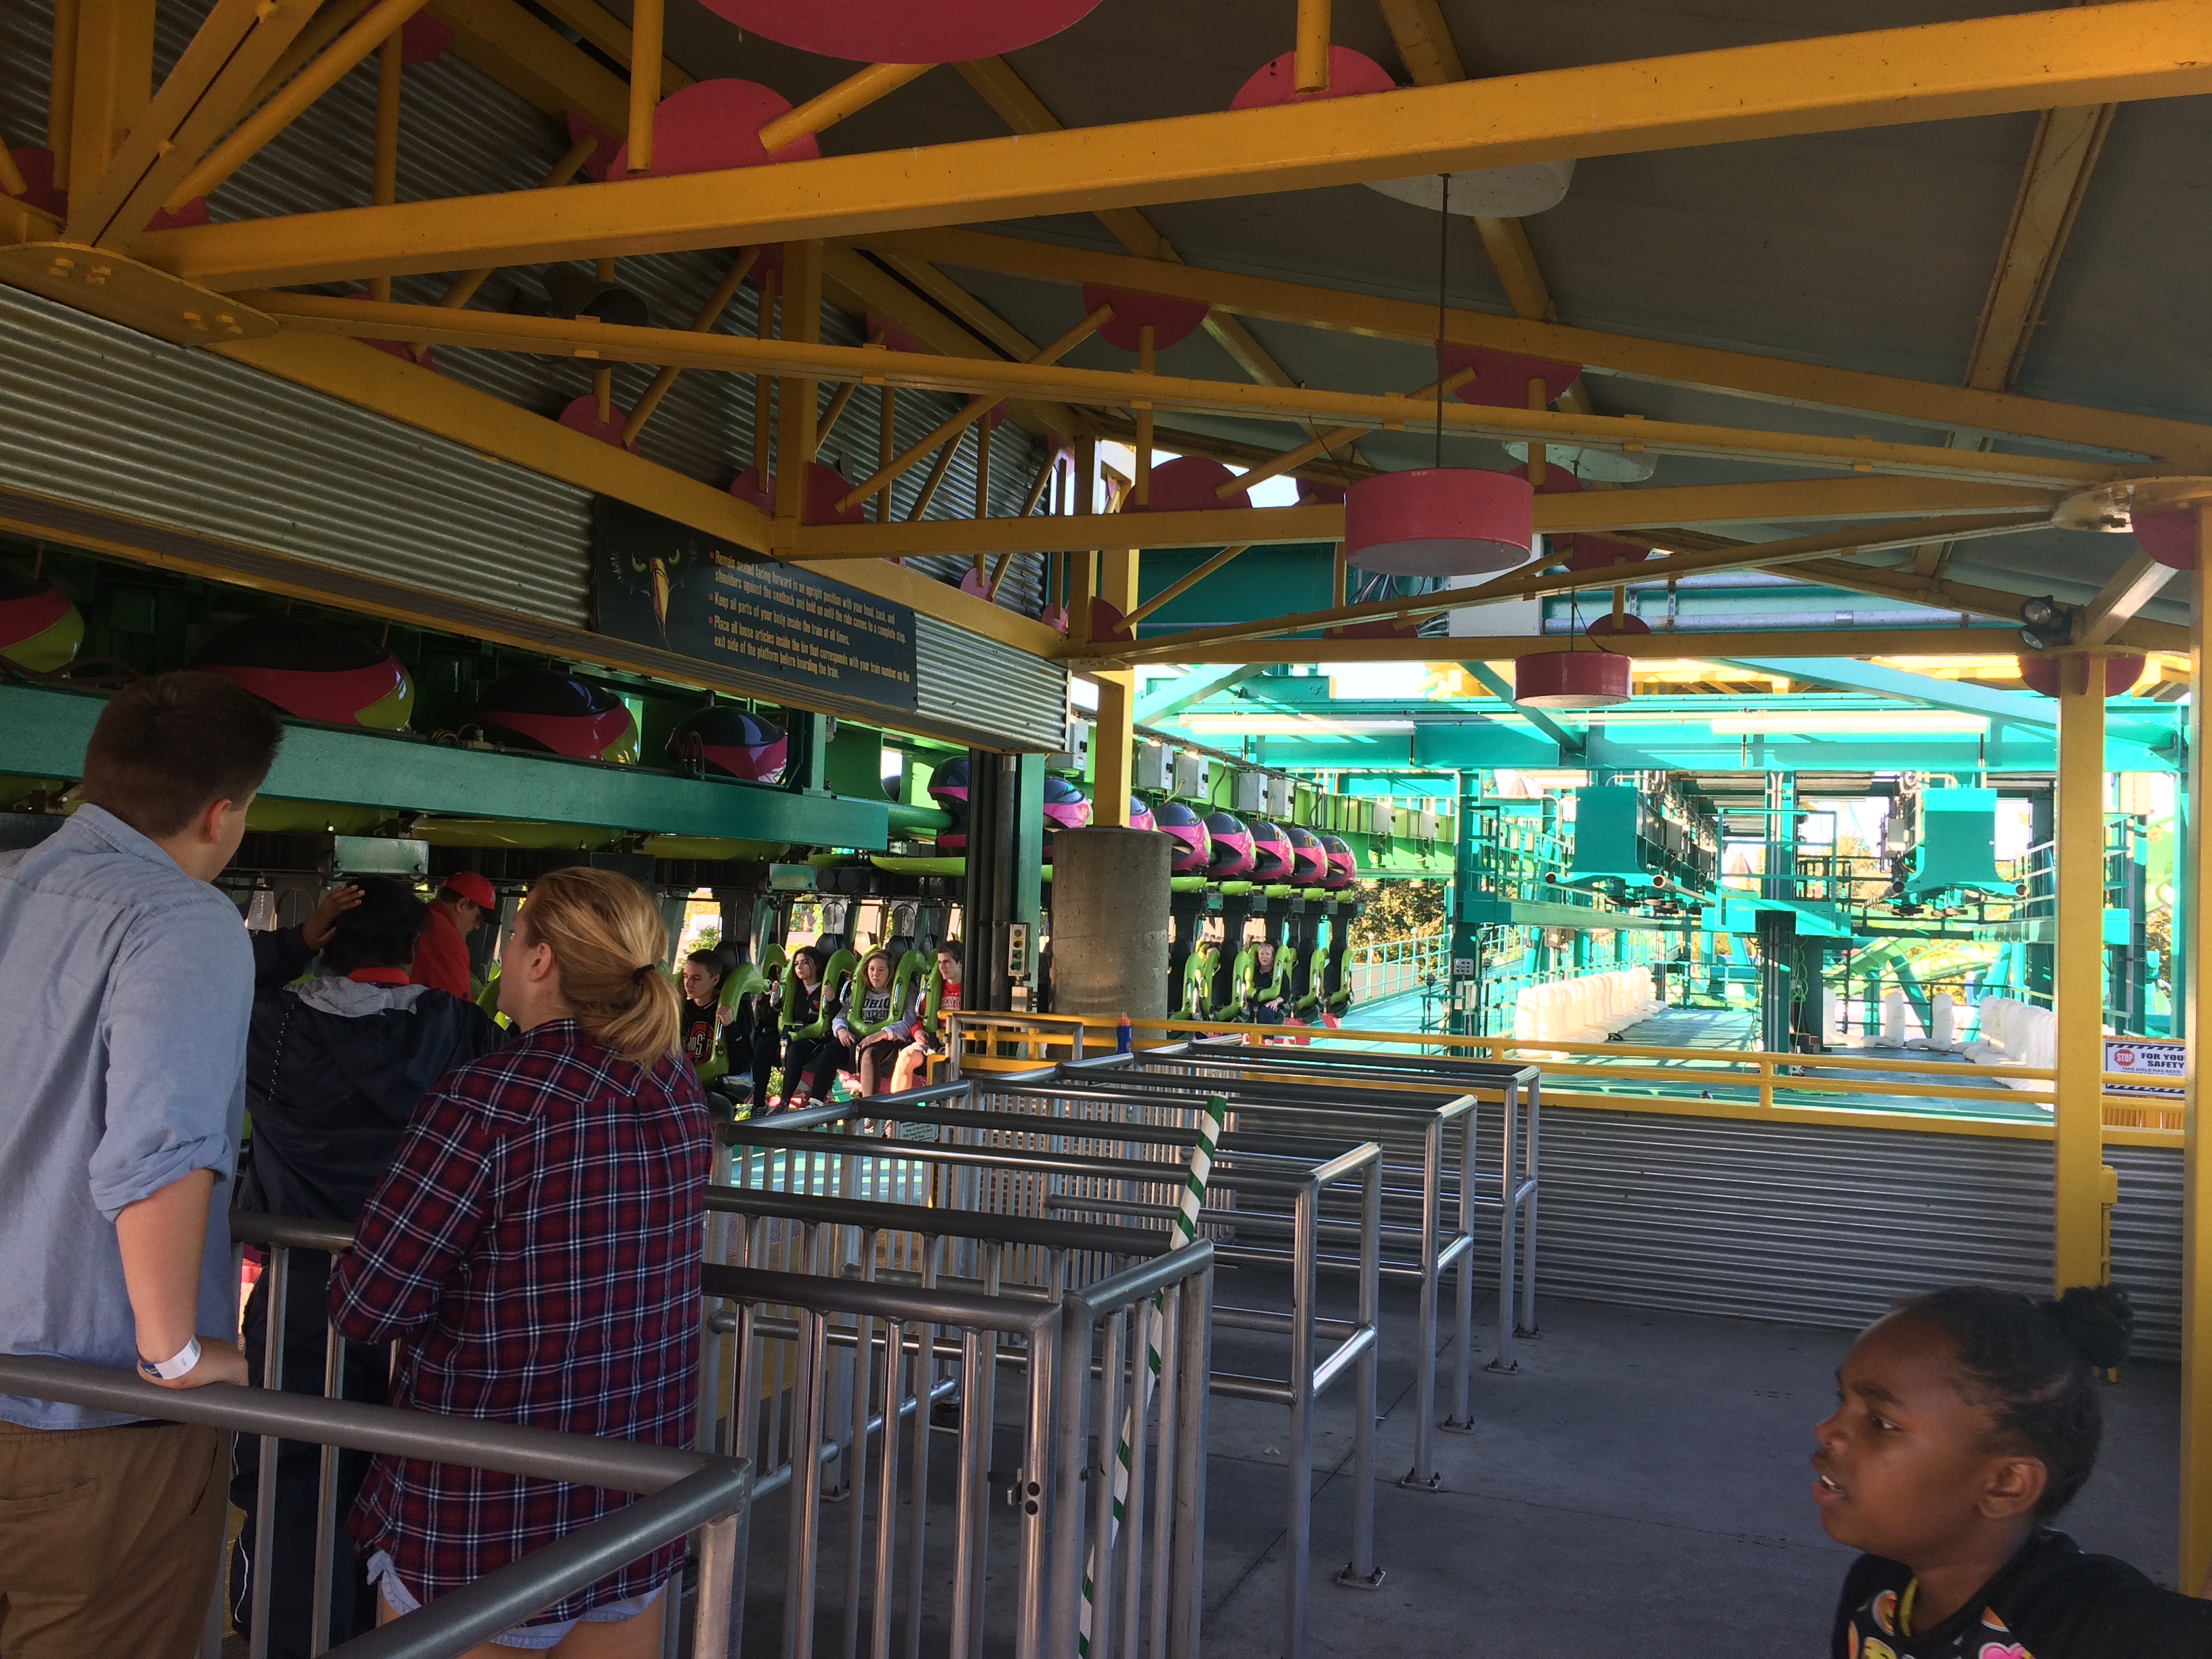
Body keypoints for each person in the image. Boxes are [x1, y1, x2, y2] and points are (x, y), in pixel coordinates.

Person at [330, 866, 707, 1656]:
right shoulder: (673, 1084)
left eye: (513, 933)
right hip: (636, 1493)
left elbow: (368, 1304)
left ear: (540, 960)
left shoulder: (487, 1099)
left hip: (487, 1512)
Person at [0, 671, 279, 1659]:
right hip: (95, 1418)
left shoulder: (9, 885)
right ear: (219, 815)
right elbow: (161, 1148)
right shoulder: (181, 920)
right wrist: (176, 1355)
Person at [231, 874, 508, 1659]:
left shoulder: (270, 1025)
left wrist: (295, 943)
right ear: (418, 945)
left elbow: (224, 970)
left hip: (301, 1299)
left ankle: (290, 1639)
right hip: (429, 1299)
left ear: (328, 942)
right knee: (418, 1475)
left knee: (291, 1474)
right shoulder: (464, 1030)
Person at [1816, 1282, 2212, 1657]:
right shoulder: (1875, 1590)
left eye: (1881, 1423)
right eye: (1841, 1399)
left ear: (2005, 1484)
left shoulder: (2091, 1622)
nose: (1826, 1431)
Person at [829, 948, 909, 1097]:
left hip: (889, 1040)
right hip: (861, 1037)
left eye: (881, 970)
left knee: (870, 1054)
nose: (875, 974)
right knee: (831, 1049)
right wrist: (841, 1030)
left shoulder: (904, 992)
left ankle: (869, 1106)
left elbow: (907, 1023)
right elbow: (842, 1014)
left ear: (890, 972)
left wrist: (880, 1035)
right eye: (872, 969)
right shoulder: (861, 993)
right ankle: (816, 1100)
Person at [410, 869, 495, 1000]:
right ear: (462, 904)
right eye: (477, 918)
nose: (477, 926)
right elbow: (457, 1004)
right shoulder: (447, 939)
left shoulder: (417, 917)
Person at [891, 941, 963, 1092]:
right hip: (933, 1040)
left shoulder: (970, 989)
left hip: (960, 1043)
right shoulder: (934, 989)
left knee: (945, 1066)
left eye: (947, 962)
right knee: (906, 1057)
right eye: (940, 963)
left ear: (960, 963)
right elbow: (921, 1016)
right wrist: (917, 1031)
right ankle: (896, 1106)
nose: (942, 967)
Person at [777, 945, 832, 1110]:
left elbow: (835, 1015)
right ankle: (758, 1103)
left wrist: (832, 1000)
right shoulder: (795, 990)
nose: (799, 967)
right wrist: (775, 1002)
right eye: (796, 964)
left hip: (815, 1037)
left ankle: (784, 1101)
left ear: (817, 965)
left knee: (796, 1050)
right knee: (763, 1047)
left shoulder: (825, 989)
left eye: (805, 963)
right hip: (792, 1033)